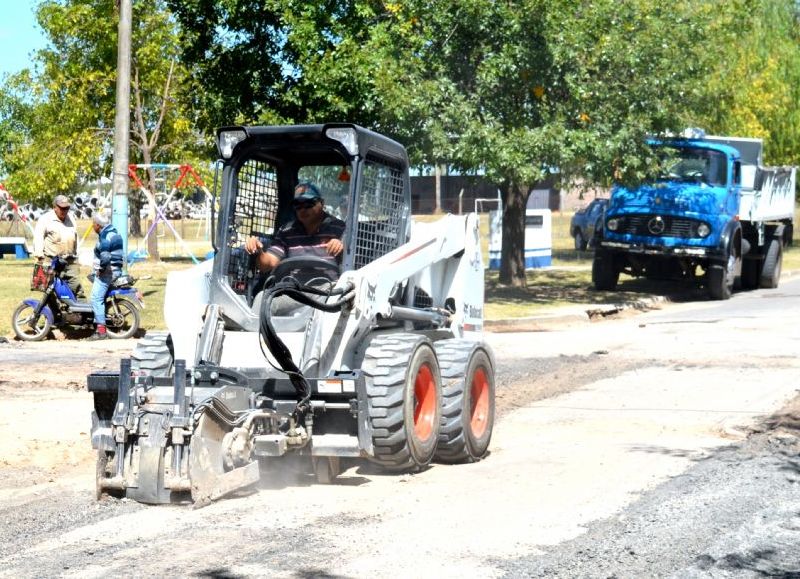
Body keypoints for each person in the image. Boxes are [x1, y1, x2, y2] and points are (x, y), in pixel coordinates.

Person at [245, 181, 345, 315]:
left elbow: (353, 264)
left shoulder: (340, 229)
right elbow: (268, 263)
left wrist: (341, 245)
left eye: (309, 204)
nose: (303, 209)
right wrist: (258, 251)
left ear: (322, 203)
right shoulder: (287, 231)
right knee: (261, 299)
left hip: (328, 290)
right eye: (298, 205)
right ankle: (256, 334)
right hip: (295, 291)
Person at [32, 194, 84, 299]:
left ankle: (81, 314)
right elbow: (38, 238)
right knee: (49, 293)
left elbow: (75, 238)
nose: (65, 210)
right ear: (54, 207)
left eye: (67, 208)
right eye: (62, 208)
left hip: (69, 262)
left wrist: (77, 257)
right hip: (51, 262)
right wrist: (40, 258)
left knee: (77, 290)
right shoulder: (45, 219)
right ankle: (54, 314)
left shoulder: (71, 219)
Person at [87, 212, 124, 340]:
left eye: (93, 224)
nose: (92, 226)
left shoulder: (105, 236)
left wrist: (101, 270)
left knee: (96, 298)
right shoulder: (114, 232)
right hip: (116, 269)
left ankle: (101, 331)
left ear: (98, 225)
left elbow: (105, 257)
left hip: (108, 272)